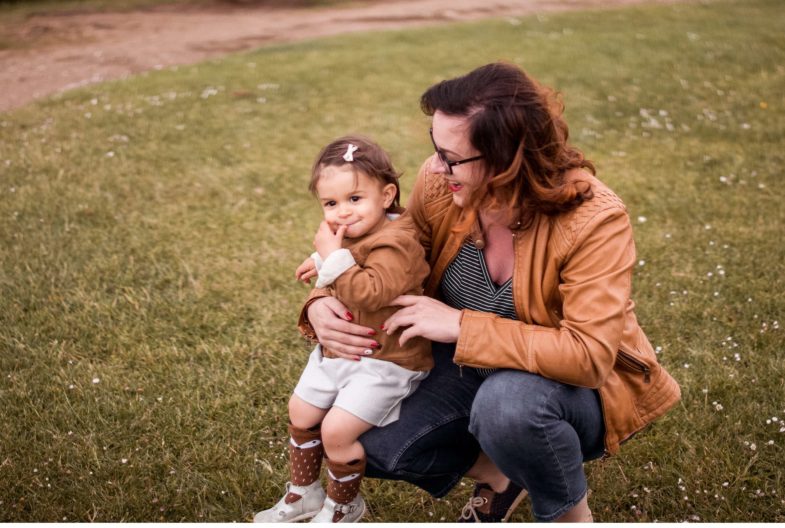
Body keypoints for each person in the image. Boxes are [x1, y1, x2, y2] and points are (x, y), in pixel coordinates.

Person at [298, 62, 681, 522]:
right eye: (435, 149)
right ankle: (503, 475)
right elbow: (390, 262)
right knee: (365, 441)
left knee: (509, 408)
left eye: (453, 157)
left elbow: (588, 356)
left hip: (569, 389)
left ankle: (568, 512)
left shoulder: (594, 220)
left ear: (506, 160)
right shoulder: (441, 183)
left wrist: (459, 324)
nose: (437, 166)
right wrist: (320, 301)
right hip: (463, 365)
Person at [254, 135, 432, 523]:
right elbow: (343, 264)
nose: (342, 213)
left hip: (388, 360)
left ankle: (343, 506)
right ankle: (304, 492)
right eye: (331, 203)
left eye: (355, 199)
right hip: (340, 352)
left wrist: (331, 258)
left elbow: (371, 292)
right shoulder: (354, 234)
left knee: (336, 431)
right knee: (300, 410)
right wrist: (323, 263)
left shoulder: (399, 242)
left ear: (386, 196)